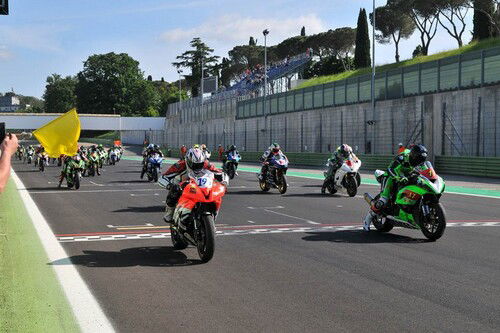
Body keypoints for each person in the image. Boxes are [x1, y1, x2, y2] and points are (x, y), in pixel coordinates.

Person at [363, 144, 429, 231]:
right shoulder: (402, 158)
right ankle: (367, 221)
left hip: (407, 177)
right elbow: (391, 169)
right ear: (414, 156)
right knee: (383, 201)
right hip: (392, 177)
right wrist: (399, 178)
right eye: (419, 159)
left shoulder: (420, 161)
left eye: (422, 159)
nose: (420, 161)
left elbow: (425, 170)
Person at [162, 147, 225, 229]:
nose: (197, 167)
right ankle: (170, 212)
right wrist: (169, 185)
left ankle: (213, 214)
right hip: (183, 185)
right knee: (175, 189)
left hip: (200, 185)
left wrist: (224, 180)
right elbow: (164, 177)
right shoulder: (180, 164)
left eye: (200, 164)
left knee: (214, 190)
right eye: (194, 164)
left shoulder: (206, 163)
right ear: (188, 161)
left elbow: (219, 173)